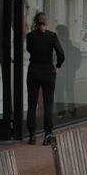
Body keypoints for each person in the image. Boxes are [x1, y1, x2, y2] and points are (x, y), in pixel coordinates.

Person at [25, 12, 65, 145]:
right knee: (48, 104)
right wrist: (57, 66)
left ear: (35, 23)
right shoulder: (51, 36)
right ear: (46, 22)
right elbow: (61, 53)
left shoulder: (30, 36)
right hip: (48, 70)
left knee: (32, 103)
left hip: (34, 70)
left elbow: (29, 50)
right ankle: (47, 135)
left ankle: (32, 135)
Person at [55, 25, 80, 117]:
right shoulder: (69, 43)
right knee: (70, 90)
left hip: (61, 71)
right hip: (70, 71)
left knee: (59, 91)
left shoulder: (59, 43)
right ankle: (72, 108)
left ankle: (61, 111)